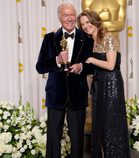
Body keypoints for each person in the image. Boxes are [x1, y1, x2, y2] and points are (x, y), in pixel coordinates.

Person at [36, 3, 93, 158]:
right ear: (59, 18)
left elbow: (94, 67)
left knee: (77, 139)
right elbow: (40, 67)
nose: (69, 18)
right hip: (55, 94)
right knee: (53, 138)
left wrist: (81, 67)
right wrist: (57, 60)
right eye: (65, 15)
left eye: (72, 14)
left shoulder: (87, 39)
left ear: (76, 16)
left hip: (78, 94)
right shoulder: (49, 38)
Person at [77, 10, 131, 158]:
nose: (86, 26)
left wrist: (92, 60)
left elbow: (111, 65)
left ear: (95, 20)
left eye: (88, 22)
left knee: (111, 123)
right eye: (83, 24)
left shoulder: (108, 37)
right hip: (98, 84)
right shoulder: (90, 41)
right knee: (99, 124)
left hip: (111, 84)